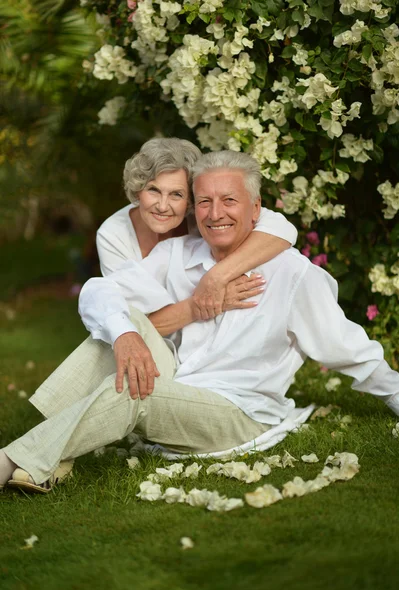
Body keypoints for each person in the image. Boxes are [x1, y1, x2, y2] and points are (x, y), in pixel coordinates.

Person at [2, 150, 399, 495]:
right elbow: (98, 291)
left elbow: (348, 348)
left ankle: (9, 462)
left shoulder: (293, 275)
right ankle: (50, 454)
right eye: (205, 202)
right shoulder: (179, 253)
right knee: (122, 327)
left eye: (230, 200)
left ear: (257, 209)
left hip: (239, 411)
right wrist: (125, 335)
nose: (215, 213)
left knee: (137, 387)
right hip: (183, 386)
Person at [95, 137, 299, 318]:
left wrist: (217, 277)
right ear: (138, 190)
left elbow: (282, 228)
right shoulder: (113, 234)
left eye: (177, 194)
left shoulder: (206, 214)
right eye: (154, 190)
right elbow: (125, 312)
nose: (163, 206)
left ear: (191, 199)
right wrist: (204, 303)